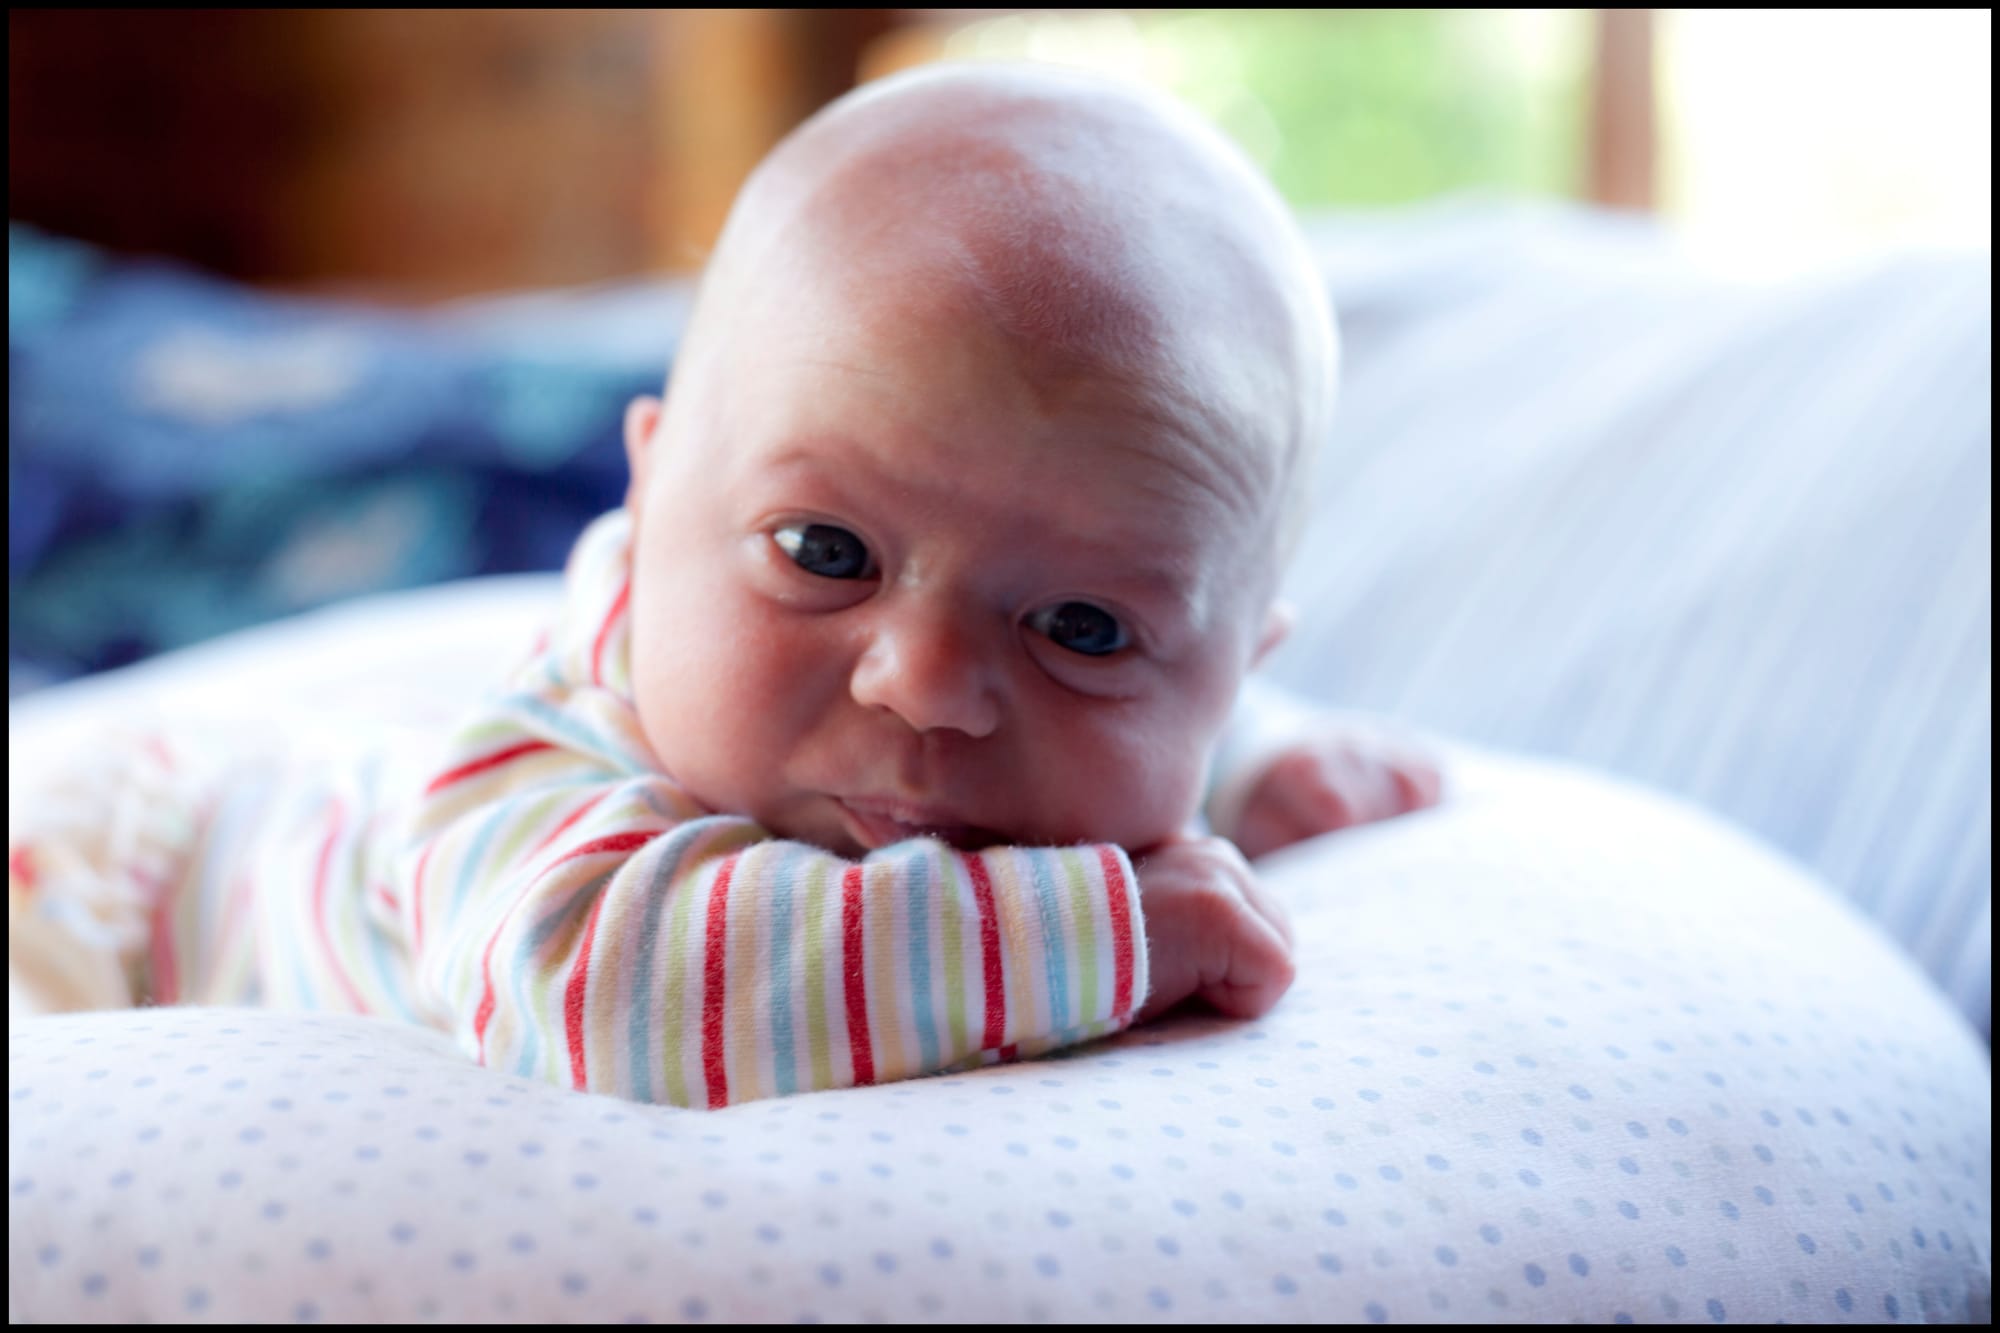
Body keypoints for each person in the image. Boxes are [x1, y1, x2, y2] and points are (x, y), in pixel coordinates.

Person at [6, 63, 1441, 1107]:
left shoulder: (1104, 697)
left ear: (1233, 663)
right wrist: (1118, 934)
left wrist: (1263, 764)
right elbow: (614, 999)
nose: (925, 681)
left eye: (1078, 627)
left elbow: (1161, 708)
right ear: (646, 499)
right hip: (123, 893)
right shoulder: (532, 783)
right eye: (828, 554)